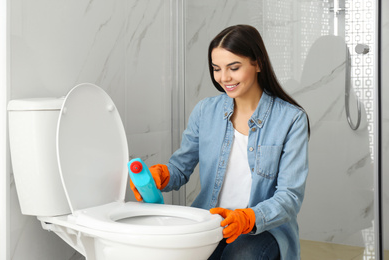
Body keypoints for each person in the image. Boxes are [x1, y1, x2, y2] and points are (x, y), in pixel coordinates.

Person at [130, 24, 309, 260]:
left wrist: (248, 218)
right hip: (210, 221)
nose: (224, 78)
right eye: (216, 69)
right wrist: (161, 175)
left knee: (239, 256)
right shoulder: (205, 111)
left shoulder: (291, 119)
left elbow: (289, 196)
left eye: (233, 67)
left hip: (263, 228)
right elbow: (180, 169)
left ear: (257, 63)